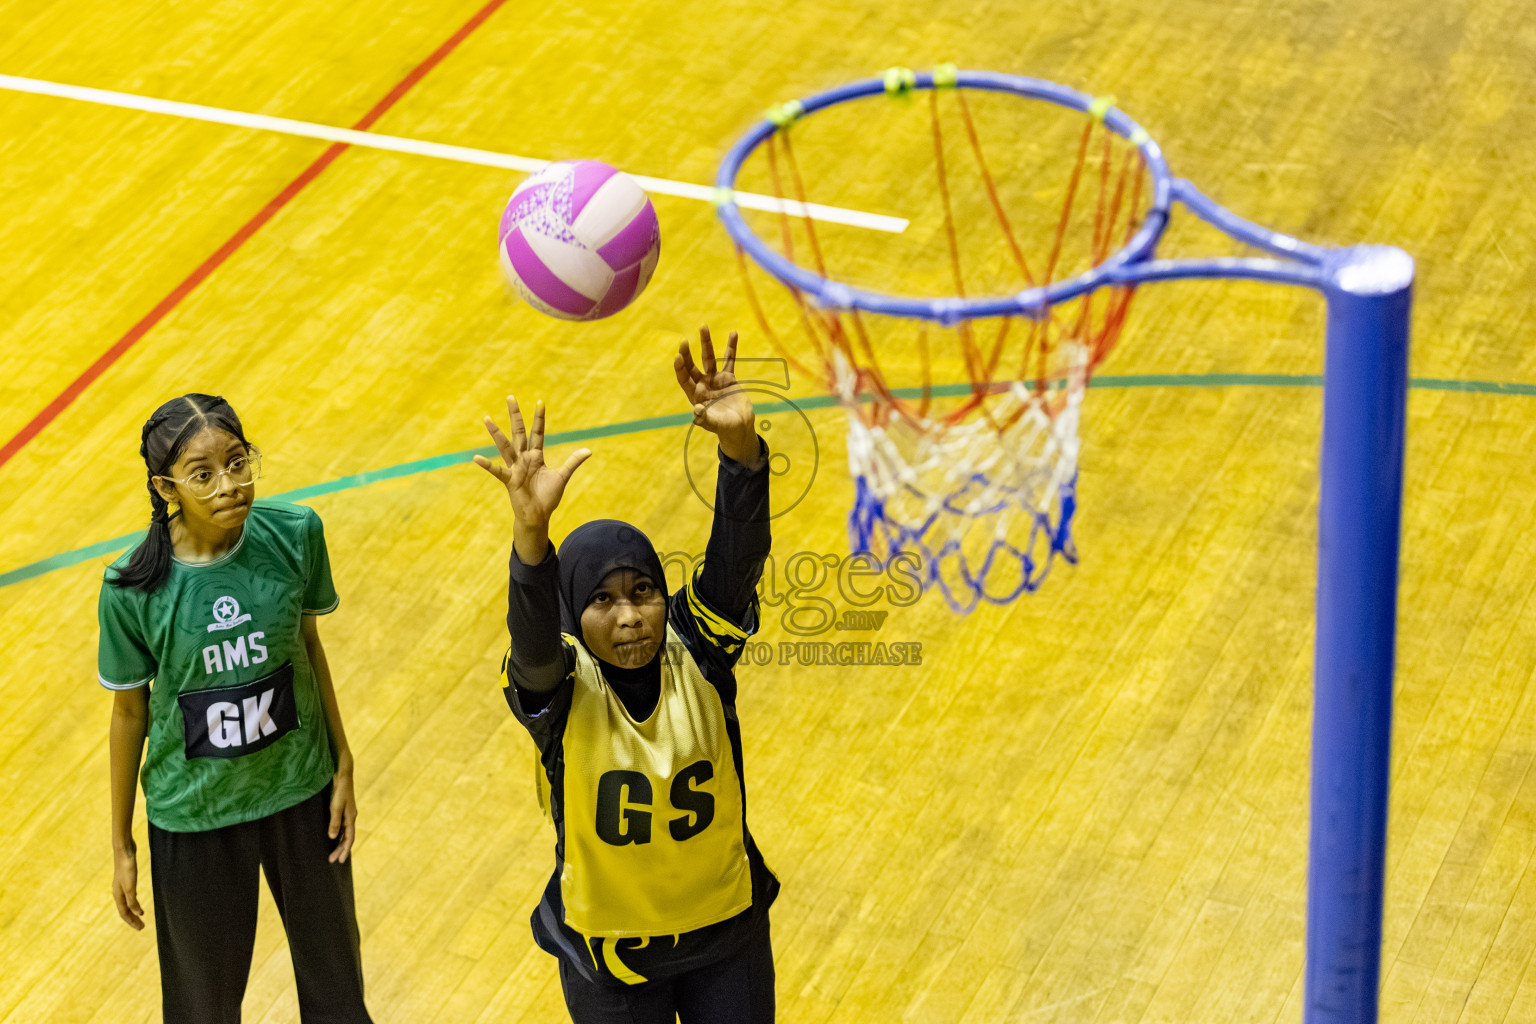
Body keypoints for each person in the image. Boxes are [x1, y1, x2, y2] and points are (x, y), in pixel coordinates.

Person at [475, 327, 779, 1022]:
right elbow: (532, 647)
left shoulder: (697, 648)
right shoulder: (559, 689)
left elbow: (738, 561)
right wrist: (530, 539)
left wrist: (738, 454)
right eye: (601, 601)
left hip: (727, 935)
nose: (630, 617)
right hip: (611, 957)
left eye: (642, 592)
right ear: (571, 618)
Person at [98, 393, 373, 1024]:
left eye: (238, 461)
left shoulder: (295, 534)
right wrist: (121, 842)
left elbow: (308, 644)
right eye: (203, 474)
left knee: (338, 994)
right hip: (193, 816)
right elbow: (129, 715)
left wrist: (343, 760)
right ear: (167, 488)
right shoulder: (133, 587)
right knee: (203, 1009)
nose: (229, 485)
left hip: (301, 795)